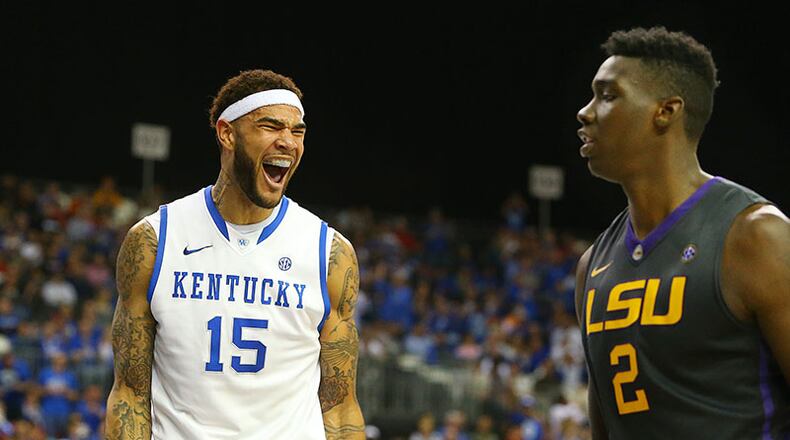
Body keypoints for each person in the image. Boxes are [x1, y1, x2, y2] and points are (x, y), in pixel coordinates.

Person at [105, 69, 365, 439]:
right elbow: (129, 393)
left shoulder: (330, 254)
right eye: (271, 127)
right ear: (227, 133)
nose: (288, 142)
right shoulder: (154, 241)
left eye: (297, 131)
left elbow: (340, 408)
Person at [574, 26, 789, 438]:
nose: (586, 112)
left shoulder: (756, 236)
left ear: (666, 111)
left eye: (608, 95)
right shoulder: (592, 266)